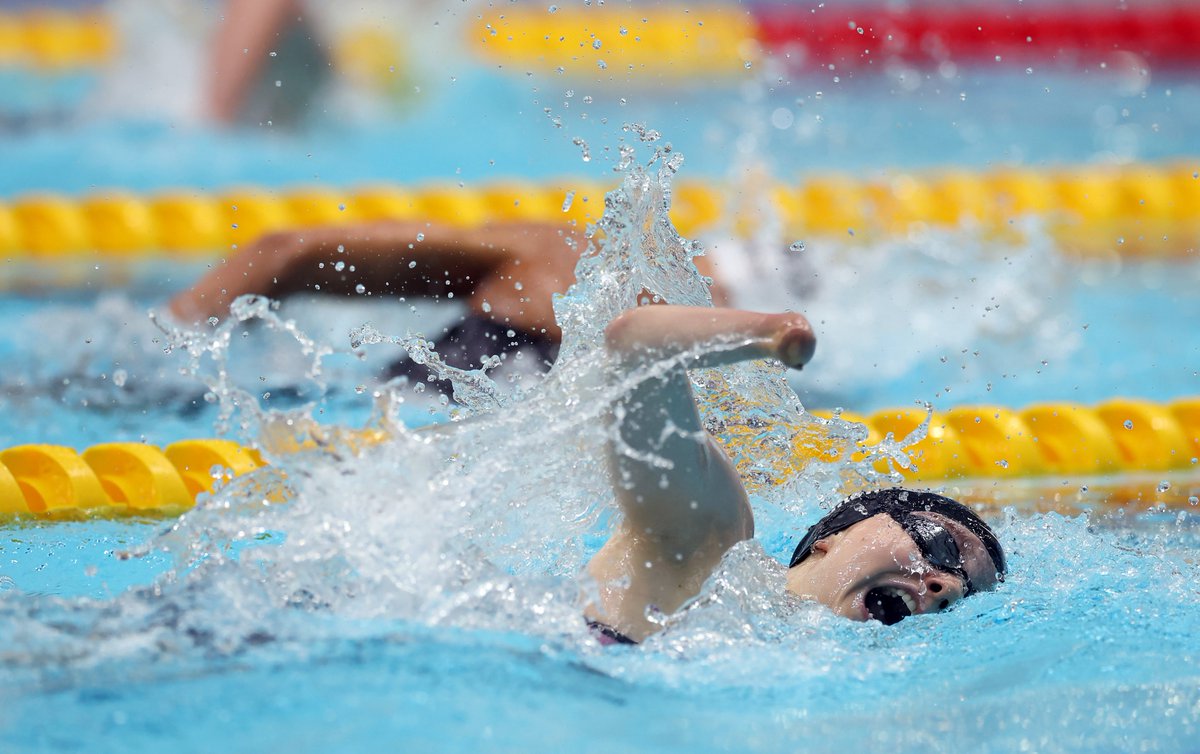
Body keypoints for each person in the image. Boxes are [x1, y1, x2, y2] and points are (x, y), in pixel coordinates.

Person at [170, 220, 1006, 642]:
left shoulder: (761, 626)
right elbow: (632, 349)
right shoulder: (709, 536)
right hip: (340, 462)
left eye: (957, 588)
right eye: (934, 543)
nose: (942, 581)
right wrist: (163, 357)